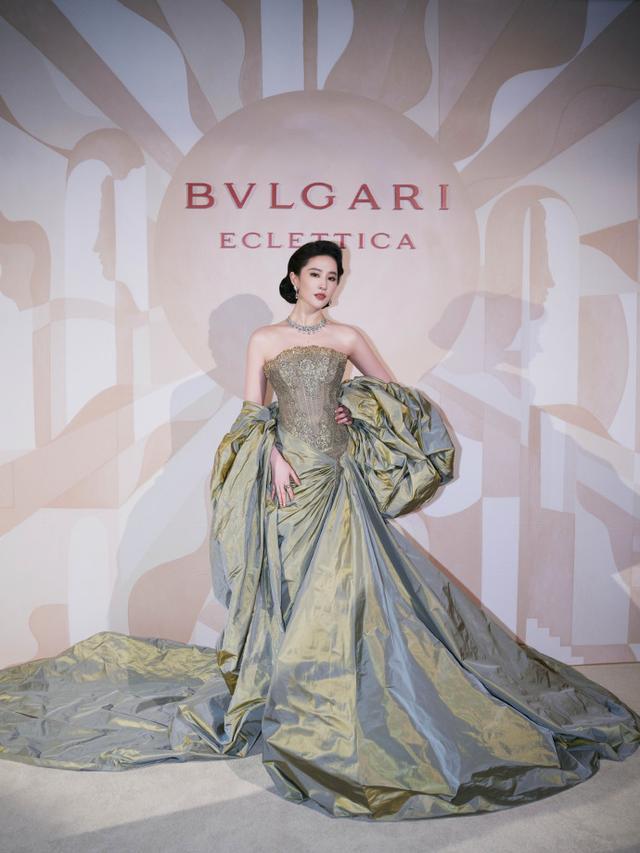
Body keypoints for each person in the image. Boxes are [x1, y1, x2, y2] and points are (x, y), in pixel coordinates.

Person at [0, 240, 638, 823]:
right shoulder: (264, 339)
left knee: (350, 589)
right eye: (316, 275)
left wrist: (354, 408)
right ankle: (291, 690)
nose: (326, 285)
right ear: (294, 277)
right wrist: (273, 453)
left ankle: (341, 696)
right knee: (291, 585)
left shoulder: (347, 335)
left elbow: (394, 394)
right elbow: (250, 413)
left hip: (336, 473)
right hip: (287, 479)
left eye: (333, 277)